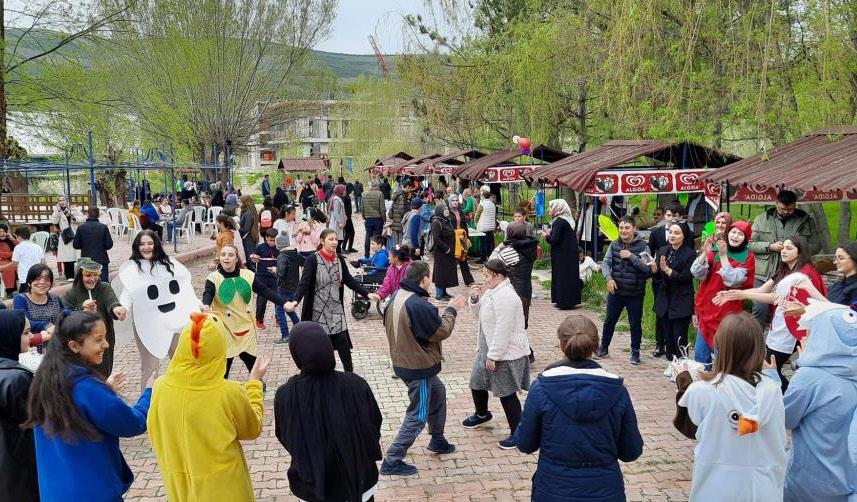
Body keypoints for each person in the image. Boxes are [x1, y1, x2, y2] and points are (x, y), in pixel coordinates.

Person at [511, 314, 643, 500]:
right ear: (595, 347)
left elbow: (525, 443)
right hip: (604, 491)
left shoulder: (541, 388)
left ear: (561, 345)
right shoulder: (616, 390)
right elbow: (631, 451)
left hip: (553, 490)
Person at [25, 311, 153, 501]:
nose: (106, 345)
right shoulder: (87, 388)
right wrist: (150, 394)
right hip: (94, 492)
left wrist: (104, 388)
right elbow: (132, 423)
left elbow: (76, 408)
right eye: (98, 340)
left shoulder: (45, 382)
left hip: (55, 492)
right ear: (74, 346)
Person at [148, 312, 267, 501]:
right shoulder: (228, 392)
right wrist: (253, 384)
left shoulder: (160, 387)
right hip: (225, 490)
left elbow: (154, 431)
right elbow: (252, 429)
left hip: (181, 489)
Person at [673, 313, 786, 501]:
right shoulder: (773, 390)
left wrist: (683, 382)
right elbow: (749, 425)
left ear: (720, 348)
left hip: (717, 487)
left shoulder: (704, 391)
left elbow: (689, 428)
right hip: (764, 488)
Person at [274, 322, 383, 502]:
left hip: (312, 485)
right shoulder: (356, 384)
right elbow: (374, 424)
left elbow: (286, 436)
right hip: (360, 480)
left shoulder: (286, 395)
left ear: (296, 354)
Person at [380, 261, 465, 475]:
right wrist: (452, 309)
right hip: (418, 367)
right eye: (430, 278)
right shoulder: (418, 305)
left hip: (404, 361)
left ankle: (437, 440)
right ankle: (393, 459)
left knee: (438, 393)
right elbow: (440, 332)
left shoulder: (397, 296)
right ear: (424, 279)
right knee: (418, 414)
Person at [714, 236, 825, 392]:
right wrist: (735, 292)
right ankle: (781, 397)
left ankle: (786, 397)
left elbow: (776, 298)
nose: (784, 251)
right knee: (768, 367)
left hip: (792, 328)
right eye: (783, 247)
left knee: (767, 367)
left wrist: (742, 295)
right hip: (780, 324)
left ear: (800, 253)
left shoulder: (805, 274)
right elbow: (762, 290)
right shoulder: (784, 270)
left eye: (789, 248)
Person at [781, 301, 857, 501]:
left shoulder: (809, 378)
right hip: (845, 482)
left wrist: (775, 375)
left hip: (808, 481)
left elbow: (784, 418)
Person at [115, 230, 198, 391]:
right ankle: (147, 406)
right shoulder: (132, 269)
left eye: (150, 243)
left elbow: (185, 289)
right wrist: (123, 308)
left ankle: (183, 396)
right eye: (142, 244)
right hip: (147, 323)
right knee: (150, 366)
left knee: (180, 360)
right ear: (137, 247)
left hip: (174, 319)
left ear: (156, 245)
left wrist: (199, 305)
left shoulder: (170, 264)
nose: (146, 247)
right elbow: (128, 293)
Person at [462, 260, 530, 448]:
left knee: (506, 392)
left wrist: (494, 355)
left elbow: (503, 329)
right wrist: (475, 299)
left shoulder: (506, 296)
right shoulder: (493, 291)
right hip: (486, 345)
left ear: (498, 276)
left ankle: (519, 432)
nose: (484, 279)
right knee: (477, 382)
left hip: (504, 351)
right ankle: (482, 414)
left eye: (486, 276)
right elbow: (479, 316)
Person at [286, 229, 369, 373]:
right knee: (320, 344)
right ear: (322, 241)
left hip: (336, 309)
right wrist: (295, 301)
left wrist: (367, 294)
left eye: (336, 239)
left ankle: (349, 374)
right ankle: (321, 373)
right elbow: (304, 282)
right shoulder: (313, 259)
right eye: (331, 239)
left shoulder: (339, 259)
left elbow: (348, 280)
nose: (335, 242)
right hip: (318, 310)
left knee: (342, 342)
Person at [749, 190, 821, 326]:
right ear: (776, 204)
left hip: (792, 273)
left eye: (790, 209)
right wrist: (769, 246)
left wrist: (797, 250)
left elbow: (816, 245)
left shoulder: (805, 220)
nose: (786, 212)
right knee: (760, 309)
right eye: (783, 209)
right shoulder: (761, 219)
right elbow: (750, 245)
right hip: (764, 274)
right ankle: (755, 340)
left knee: (787, 310)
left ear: (795, 205)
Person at [692, 220, 755, 367]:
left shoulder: (748, 257)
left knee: (723, 358)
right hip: (707, 311)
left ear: (746, 238)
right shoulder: (715, 249)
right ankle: (704, 385)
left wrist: (724, 255)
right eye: (733, 232)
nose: (735, 236)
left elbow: (733, 280)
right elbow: (697, 273)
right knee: (700, 357)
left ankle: (722, 385)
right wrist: (704, 253)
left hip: (727, 314)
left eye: (740, 234)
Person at [597, 216, 651, 364]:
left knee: (635, 324)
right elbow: (606, 263)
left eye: (627, 228)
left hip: (635, 292)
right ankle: (604, 347)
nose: (624, 231)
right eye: (621, 228)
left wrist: (631, 256)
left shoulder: (643, 246)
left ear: (634, 229)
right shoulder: (614, 245)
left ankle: (635, 352)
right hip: (616, 291)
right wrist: (608, 278)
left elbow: (648, 269)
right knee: (609, 321)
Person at [62, 257, 127, 377]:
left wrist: (116, 309)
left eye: (95, 274)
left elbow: (111, 302)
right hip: (82, 345)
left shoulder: (104, 288)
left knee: (104, 375)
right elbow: (65, 316)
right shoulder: (71, 294)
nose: (92, 279)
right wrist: (82, 310)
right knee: (85, 377)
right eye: (88, 275)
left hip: (103, 341)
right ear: (79, 276)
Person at [0, 309, 40, 502]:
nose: (31, 337)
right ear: (8, 335)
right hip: (19, 466)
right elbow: (38, 418)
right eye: (25, 333)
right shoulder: (17, 378)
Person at [202, 245, 259, 377]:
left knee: (252, 364)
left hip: (246, 328)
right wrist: (205, 305)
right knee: (224, 368)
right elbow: (208, 293)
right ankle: (222, 391)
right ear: (219, 258)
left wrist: (284, 302)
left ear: (236, 258)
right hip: (225, 328)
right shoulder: (213, 277)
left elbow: (265, 291)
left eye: (230, 255)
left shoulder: (248, 275)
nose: (226, 258)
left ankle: (258, 385)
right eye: (223, 255)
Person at [651, 222, 696, 362]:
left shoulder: (690, 254)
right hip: (665, 298)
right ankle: (672, 362)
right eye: (670, 232)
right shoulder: (663, 250)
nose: (672, 235)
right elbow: (658, 276)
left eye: (677, 233)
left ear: (684, 236)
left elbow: (686, 277)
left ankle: (682, 363)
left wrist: (668, 271)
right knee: (667, 335)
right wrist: (654, 270)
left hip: (681, 299)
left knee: (679, 335)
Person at [648, 201, 686, 357]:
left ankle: (676, 351)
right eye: (669, 215)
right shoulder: (656, 233)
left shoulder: (685, 235)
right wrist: (653, 270)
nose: (671, 219)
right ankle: (660, 343)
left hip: (678, 284)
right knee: (661, 313)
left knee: (676, 320)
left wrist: (669, 270)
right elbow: (650, 253)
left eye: (675, 216)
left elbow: (688, 258)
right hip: (660, 281)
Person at [13, 264, 64, 353]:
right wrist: (46, 325)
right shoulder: (21, 299)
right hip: (33, 349)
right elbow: (24, 321)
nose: (42, 282)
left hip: (57, 347)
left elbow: (65, 315)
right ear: (29, 282)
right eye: (37, 279)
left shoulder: (55, 298)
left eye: (47, 279)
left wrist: (81, 312)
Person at [542, 199, 581, 310]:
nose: (548, 210)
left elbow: (554, 240)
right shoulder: (567, 219)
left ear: (557, 208)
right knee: (570, 276)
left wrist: (546, 236)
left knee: (562, 277)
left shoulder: (559, 221)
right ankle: (570, 300)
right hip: (569, 253)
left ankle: (563, 301)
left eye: (550, 207)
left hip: (562, 254)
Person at [499, 221, 538, 328]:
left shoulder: (509, 251)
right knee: (523, 321)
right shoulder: (531, 248)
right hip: (526, 289)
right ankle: (524, 344)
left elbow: (492, 264)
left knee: (512, 324)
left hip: (513, 290)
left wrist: (499, 247)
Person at [274, 232, 303, 344]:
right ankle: (300, 330)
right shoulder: (295, 254)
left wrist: (274, 271)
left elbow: (281, 274)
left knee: (280, 311)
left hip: (284, 288)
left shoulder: (282, 256)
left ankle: (285, 335)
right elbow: (304, 262)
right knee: (290, 309)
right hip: (294, 286)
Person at [73, 206, 114, 283]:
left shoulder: (81, 228)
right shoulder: (103, 227)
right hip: (101, 259)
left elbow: (75, 245)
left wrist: (85, 245)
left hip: (86, 260)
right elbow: (109, 245)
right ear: (98, 215)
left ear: (87, 215)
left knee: (88, 284)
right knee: (103, 285)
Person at [250, 228, 281, 330]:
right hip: (262, 277)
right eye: (270, 240)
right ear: (266, 238)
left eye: (274, 240)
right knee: (261, 300)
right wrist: (254, 258)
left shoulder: (280, 248)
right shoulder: (260, 247)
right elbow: (253, 259)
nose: (272, 243)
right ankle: (259, 320)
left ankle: (279, 318)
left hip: (275, 277)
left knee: (277, 298)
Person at [0, 226, 44, 294]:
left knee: (24, 298)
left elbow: (14, 264)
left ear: (19, 236)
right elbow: (44, 263)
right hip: (38, 277)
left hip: (25, 279)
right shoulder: (37, 246)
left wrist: (2, 268)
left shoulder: (18, 247)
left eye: (16, 236)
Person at [430, 204, 459, 300]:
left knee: (446, 272)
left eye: (447, 209)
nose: (447, 210)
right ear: (440, 210)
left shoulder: (447, 220)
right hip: (441, 253)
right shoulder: (436, 222)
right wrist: (446, 248)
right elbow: (436, 239)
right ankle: (439, 294)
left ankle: (444, 292)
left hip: (449, 252)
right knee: (440, 273)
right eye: (444, 209)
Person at [51, 195, 84, 280]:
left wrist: (73, 217)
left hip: (74, 234)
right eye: (60, 200)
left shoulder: (74, 209)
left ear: (67, 201)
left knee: (76, 256)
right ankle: (69, 275)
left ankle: (79, 274)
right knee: (67, 256)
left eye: (63, 200)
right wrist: (58, 211)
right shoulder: (57, 211)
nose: (62, 202)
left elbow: (83, 219)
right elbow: (54, 221)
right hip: (65, 236)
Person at [447, 195, 475, 286]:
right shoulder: (447, 212)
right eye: (453, 201)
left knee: (463, 258)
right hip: (452, 238)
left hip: (462, 237)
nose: (455, 202)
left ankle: (469, 280)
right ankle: (450, 281)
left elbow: (465, 225)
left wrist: (467, 238)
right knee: (452, 259)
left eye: (456, 200)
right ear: (450, 202)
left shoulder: (460, 211)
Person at [362, 179, 386, 257]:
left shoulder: (364, 194)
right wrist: (384, 218)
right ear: (377, 186)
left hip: (368, 218)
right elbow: (382, 208)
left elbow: (362, 208)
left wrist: (364, 216)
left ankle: (366, 254)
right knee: (377, 238)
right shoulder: (380, 194)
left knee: (368, 236)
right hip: (377, 219)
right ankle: (377, 254)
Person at [475, 190, 497, 263]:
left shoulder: (482, 204)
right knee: (489, 243)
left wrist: (475, 222)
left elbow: (477, 215)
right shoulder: (492, 204)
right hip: (491, 227)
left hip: (483, 227)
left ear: (483, 196)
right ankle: (490, 257)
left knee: (483, 243)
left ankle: (483, 258)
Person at [239, 195, 260, 271]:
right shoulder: (249, 212)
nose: (239, 203)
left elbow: (246, 228)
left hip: (248, 239)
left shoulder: (248, 214)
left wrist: (238, 228)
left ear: (245, 202)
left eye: (240, 201)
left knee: (250, 261)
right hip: (250, 238)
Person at [327, 184, 347, 253]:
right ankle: (337, 255)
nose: (345, 192)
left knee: (339, 239)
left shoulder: (336, 198)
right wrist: (340, 222)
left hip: (337, 222)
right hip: (336, 223)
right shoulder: (336, 199)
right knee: (337, 240)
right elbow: (335, 212)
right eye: (344, 190)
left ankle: (338, 255)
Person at [0, 224, 17, 296]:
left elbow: (21, 246)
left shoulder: (11, 239)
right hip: (2, 261)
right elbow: (1, 254)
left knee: (21, 266)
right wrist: (12, 253)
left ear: (7, 232)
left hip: (13, 260)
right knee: (8, 268)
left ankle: (25, 287)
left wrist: (13, 239)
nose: (1, 234)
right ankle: (10, 291)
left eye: (3, 231)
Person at [342, 187, 358, 254]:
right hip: (346, 218)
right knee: (347, 233)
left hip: (348, 217)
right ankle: (343, 248)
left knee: (351, 232)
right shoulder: (344, 197)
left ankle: (349, 247)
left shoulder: (346, 196)